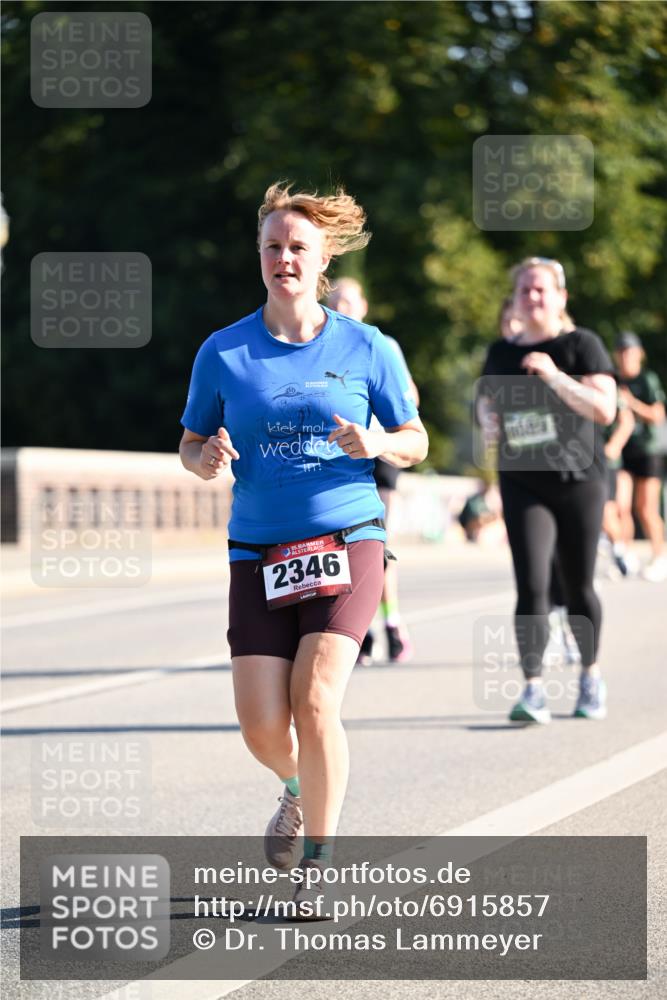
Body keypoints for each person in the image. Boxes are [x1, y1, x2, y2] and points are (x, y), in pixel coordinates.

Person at [179, 182, 428, 911]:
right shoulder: (223, 351)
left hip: (348, 536)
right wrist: (204, 458)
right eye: (272, 247)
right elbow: (189, 442)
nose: (283, 258)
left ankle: (318, 859)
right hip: (257, 549)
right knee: (262, 725)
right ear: (258, 256)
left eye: (297, 248)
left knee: (314, 700)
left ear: (322, 262)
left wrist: (378, 441)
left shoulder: (367, 346)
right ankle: (297, 786)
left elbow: (415, 440)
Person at [478, 257, 617, 724]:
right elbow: (486, 403)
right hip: (523, 481)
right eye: (525, 290)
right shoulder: (501, 352)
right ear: (515, 300)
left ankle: (590, 675)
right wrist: (488, 421)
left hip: (579, 480)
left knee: (578, 586)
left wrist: (555, 375)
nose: (533, 297)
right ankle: (533, 688)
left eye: (541, 290)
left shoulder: (582, 345)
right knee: (532, 583)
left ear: (561, 298)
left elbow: (605, 409)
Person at [326, 277, 419, 664]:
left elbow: (410, 399)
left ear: (363, 306)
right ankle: (359, 629)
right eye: (335, 301)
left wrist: (378, 429)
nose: (342, 308)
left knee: (375, 544)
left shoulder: (381, 345)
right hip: (338, 456)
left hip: (379, 453)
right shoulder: (319, 349)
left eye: (349, 301)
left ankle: (391, 624)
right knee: (340, 548)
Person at [613, 331, 667, 582]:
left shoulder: (647, 379)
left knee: (646, 509)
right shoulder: (614, 380)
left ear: (639, 354)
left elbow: (657, 415)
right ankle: (626, 556)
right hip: (624, 451)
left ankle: (660, 556)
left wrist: (631, 402)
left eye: (629, 351)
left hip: (648, 450)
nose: (625, 356)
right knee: (621, 506)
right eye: (621, 352)